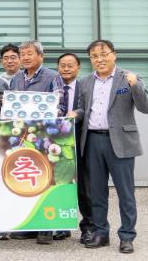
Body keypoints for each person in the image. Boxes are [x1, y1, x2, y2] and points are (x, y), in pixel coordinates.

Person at [73, 40, 148, 254]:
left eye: (104, 54)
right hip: (92, 141)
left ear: (113, 55)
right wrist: (75, 113)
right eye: (94, 56)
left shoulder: (128, 78)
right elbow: (83, 109)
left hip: (121, 141)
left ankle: (127, 236)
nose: (100, 59)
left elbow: (146, 107)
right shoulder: (86, 81)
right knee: (97, 192)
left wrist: (135, 85)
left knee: (125, 193)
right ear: (90, 59)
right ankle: (101, 233)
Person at [8, 40, 59, 244]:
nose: (26, 57)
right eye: (23, 54)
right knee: (26, 179)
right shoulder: (16, 78)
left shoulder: (52, 77)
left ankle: (47, 228)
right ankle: (30, 225)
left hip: (45, 135)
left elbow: (59, 104)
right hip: (23, 136)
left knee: (46, 179)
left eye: (30, 53)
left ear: (40, 56)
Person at [55, 52, 92, 244]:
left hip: (81, 141)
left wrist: (77, 114)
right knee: (61, 184)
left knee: (85, 188)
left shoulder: (86, 85)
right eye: (62, 65)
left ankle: (88, 227)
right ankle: (62, 226)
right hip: (57, 144)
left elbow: (91, 108)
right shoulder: (53, 87)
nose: (66, 68)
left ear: (78, 67)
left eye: (70, 65)